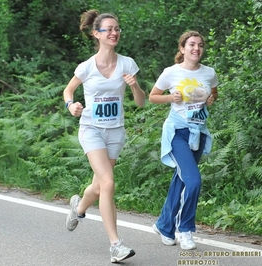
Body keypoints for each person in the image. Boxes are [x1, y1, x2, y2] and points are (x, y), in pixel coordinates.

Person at [63, 10, 146, 263]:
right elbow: (68, 91)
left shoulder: (127, 64)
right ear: (95, 34)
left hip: (116, 132)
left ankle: (78, 208)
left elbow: (141, 103)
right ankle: (116, 246)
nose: (114, 33)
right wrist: (71, 106)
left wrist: (133, 86)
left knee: (99, 185)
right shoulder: (86, 67)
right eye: (108, 29)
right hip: (92, 130)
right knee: (108, 183)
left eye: (117, 28)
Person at [149, 30, 218, 250]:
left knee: (181, 180)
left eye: (200, 45)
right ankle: (185, 229)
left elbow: (214, 93)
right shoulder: (171, 72)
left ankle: (164, 225)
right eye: (191, 45)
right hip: (177, 132)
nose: (196, 49)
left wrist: (210, 99)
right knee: (193, 180)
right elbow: (153, 96)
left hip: (198, 132)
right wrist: (171, 97)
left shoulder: (209, 73)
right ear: (182, 49)